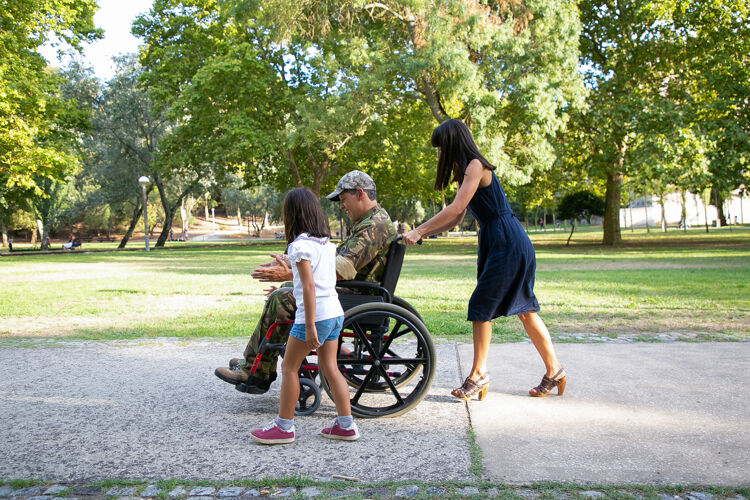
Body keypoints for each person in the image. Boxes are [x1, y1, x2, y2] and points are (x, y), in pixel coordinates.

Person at [403, 119, 566, 400]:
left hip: (507, 240)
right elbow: (456, 217)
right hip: (500, 239)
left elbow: (455, 207)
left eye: (440, 147)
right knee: (525, 309)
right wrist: (424, 234)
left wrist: (419, 229)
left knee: (482, 305)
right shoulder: (466, 172)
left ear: (452, 142)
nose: (439, 154)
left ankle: (479, 375)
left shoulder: (476, 166)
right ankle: (555, 371)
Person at [214, 170, 396, 393]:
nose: (341, 206)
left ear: (359, 194)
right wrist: (291, 266)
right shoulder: (372, 222)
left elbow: (339, 270)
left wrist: (291, 274)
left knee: (281, 298)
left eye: (343, 199)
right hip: (352, 293)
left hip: (352, 297)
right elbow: (334, 262)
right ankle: (255, 364)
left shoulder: (374, 226)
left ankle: (256, 370)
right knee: (283, 292)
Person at [250, 188, 358, 444]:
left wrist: (309, 326)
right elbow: (318, 280)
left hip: (315, 316)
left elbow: (309, 287)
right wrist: (288, 267)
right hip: (334, 313)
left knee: (289, 367)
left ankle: (284, 427)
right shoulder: (327, 245)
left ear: (292, 215)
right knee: (331, 368)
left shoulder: (299, 246)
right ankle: (346, 425)